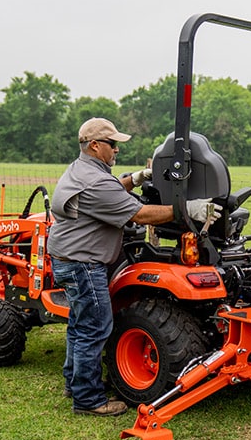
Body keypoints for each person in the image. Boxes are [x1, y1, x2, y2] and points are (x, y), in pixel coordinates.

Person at [47, 117, 221, 416]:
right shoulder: (95, 181)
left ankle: (74, 384)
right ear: (95, 145)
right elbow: (140, 215)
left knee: (79, 325)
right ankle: (88, 400)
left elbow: (113, 187)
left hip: (68, 259)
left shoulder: (82, 170)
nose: (117, 150)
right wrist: (186, 209)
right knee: (95, 327)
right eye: (113, 144)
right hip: (83, 264)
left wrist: (135, 178)